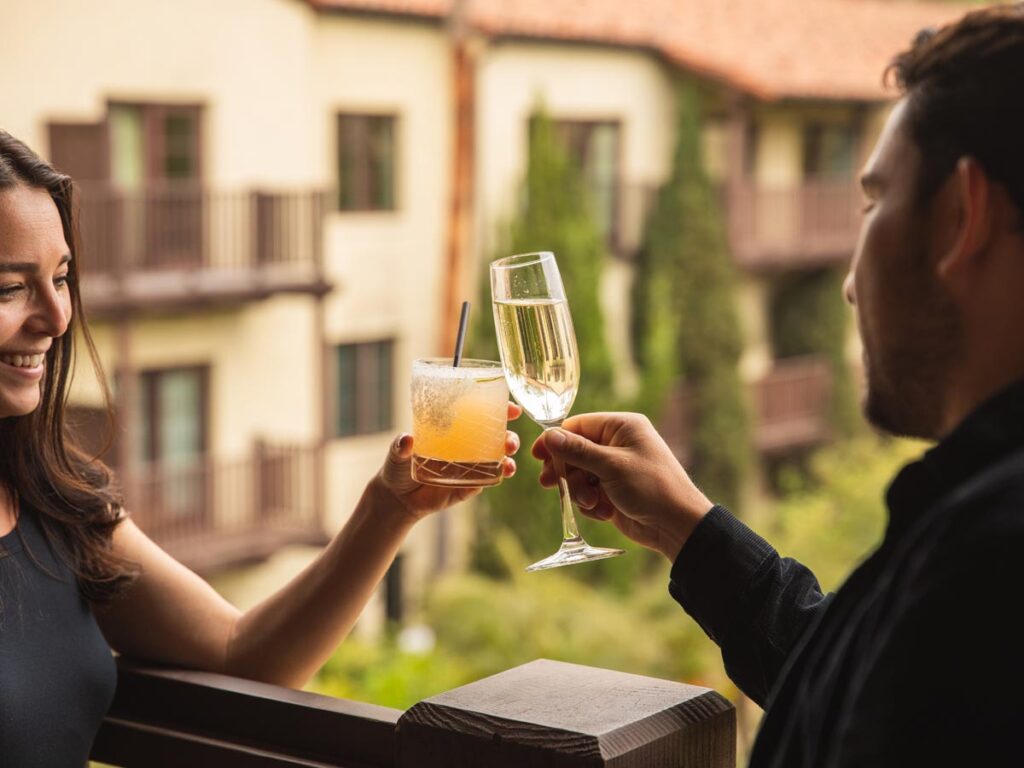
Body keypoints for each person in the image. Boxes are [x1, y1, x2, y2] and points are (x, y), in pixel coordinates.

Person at [533, 5, 1024, 766]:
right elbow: (856, 679)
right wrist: (687, 530)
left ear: (963, 216)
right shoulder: (976, 531)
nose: (851, 285)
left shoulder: (991, 566)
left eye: (872, 204)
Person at [0, 129, 521, 766]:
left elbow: (243, 654)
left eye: (62, 277)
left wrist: (391, 507)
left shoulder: (53, 501)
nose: (56, 318)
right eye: (10, 288)